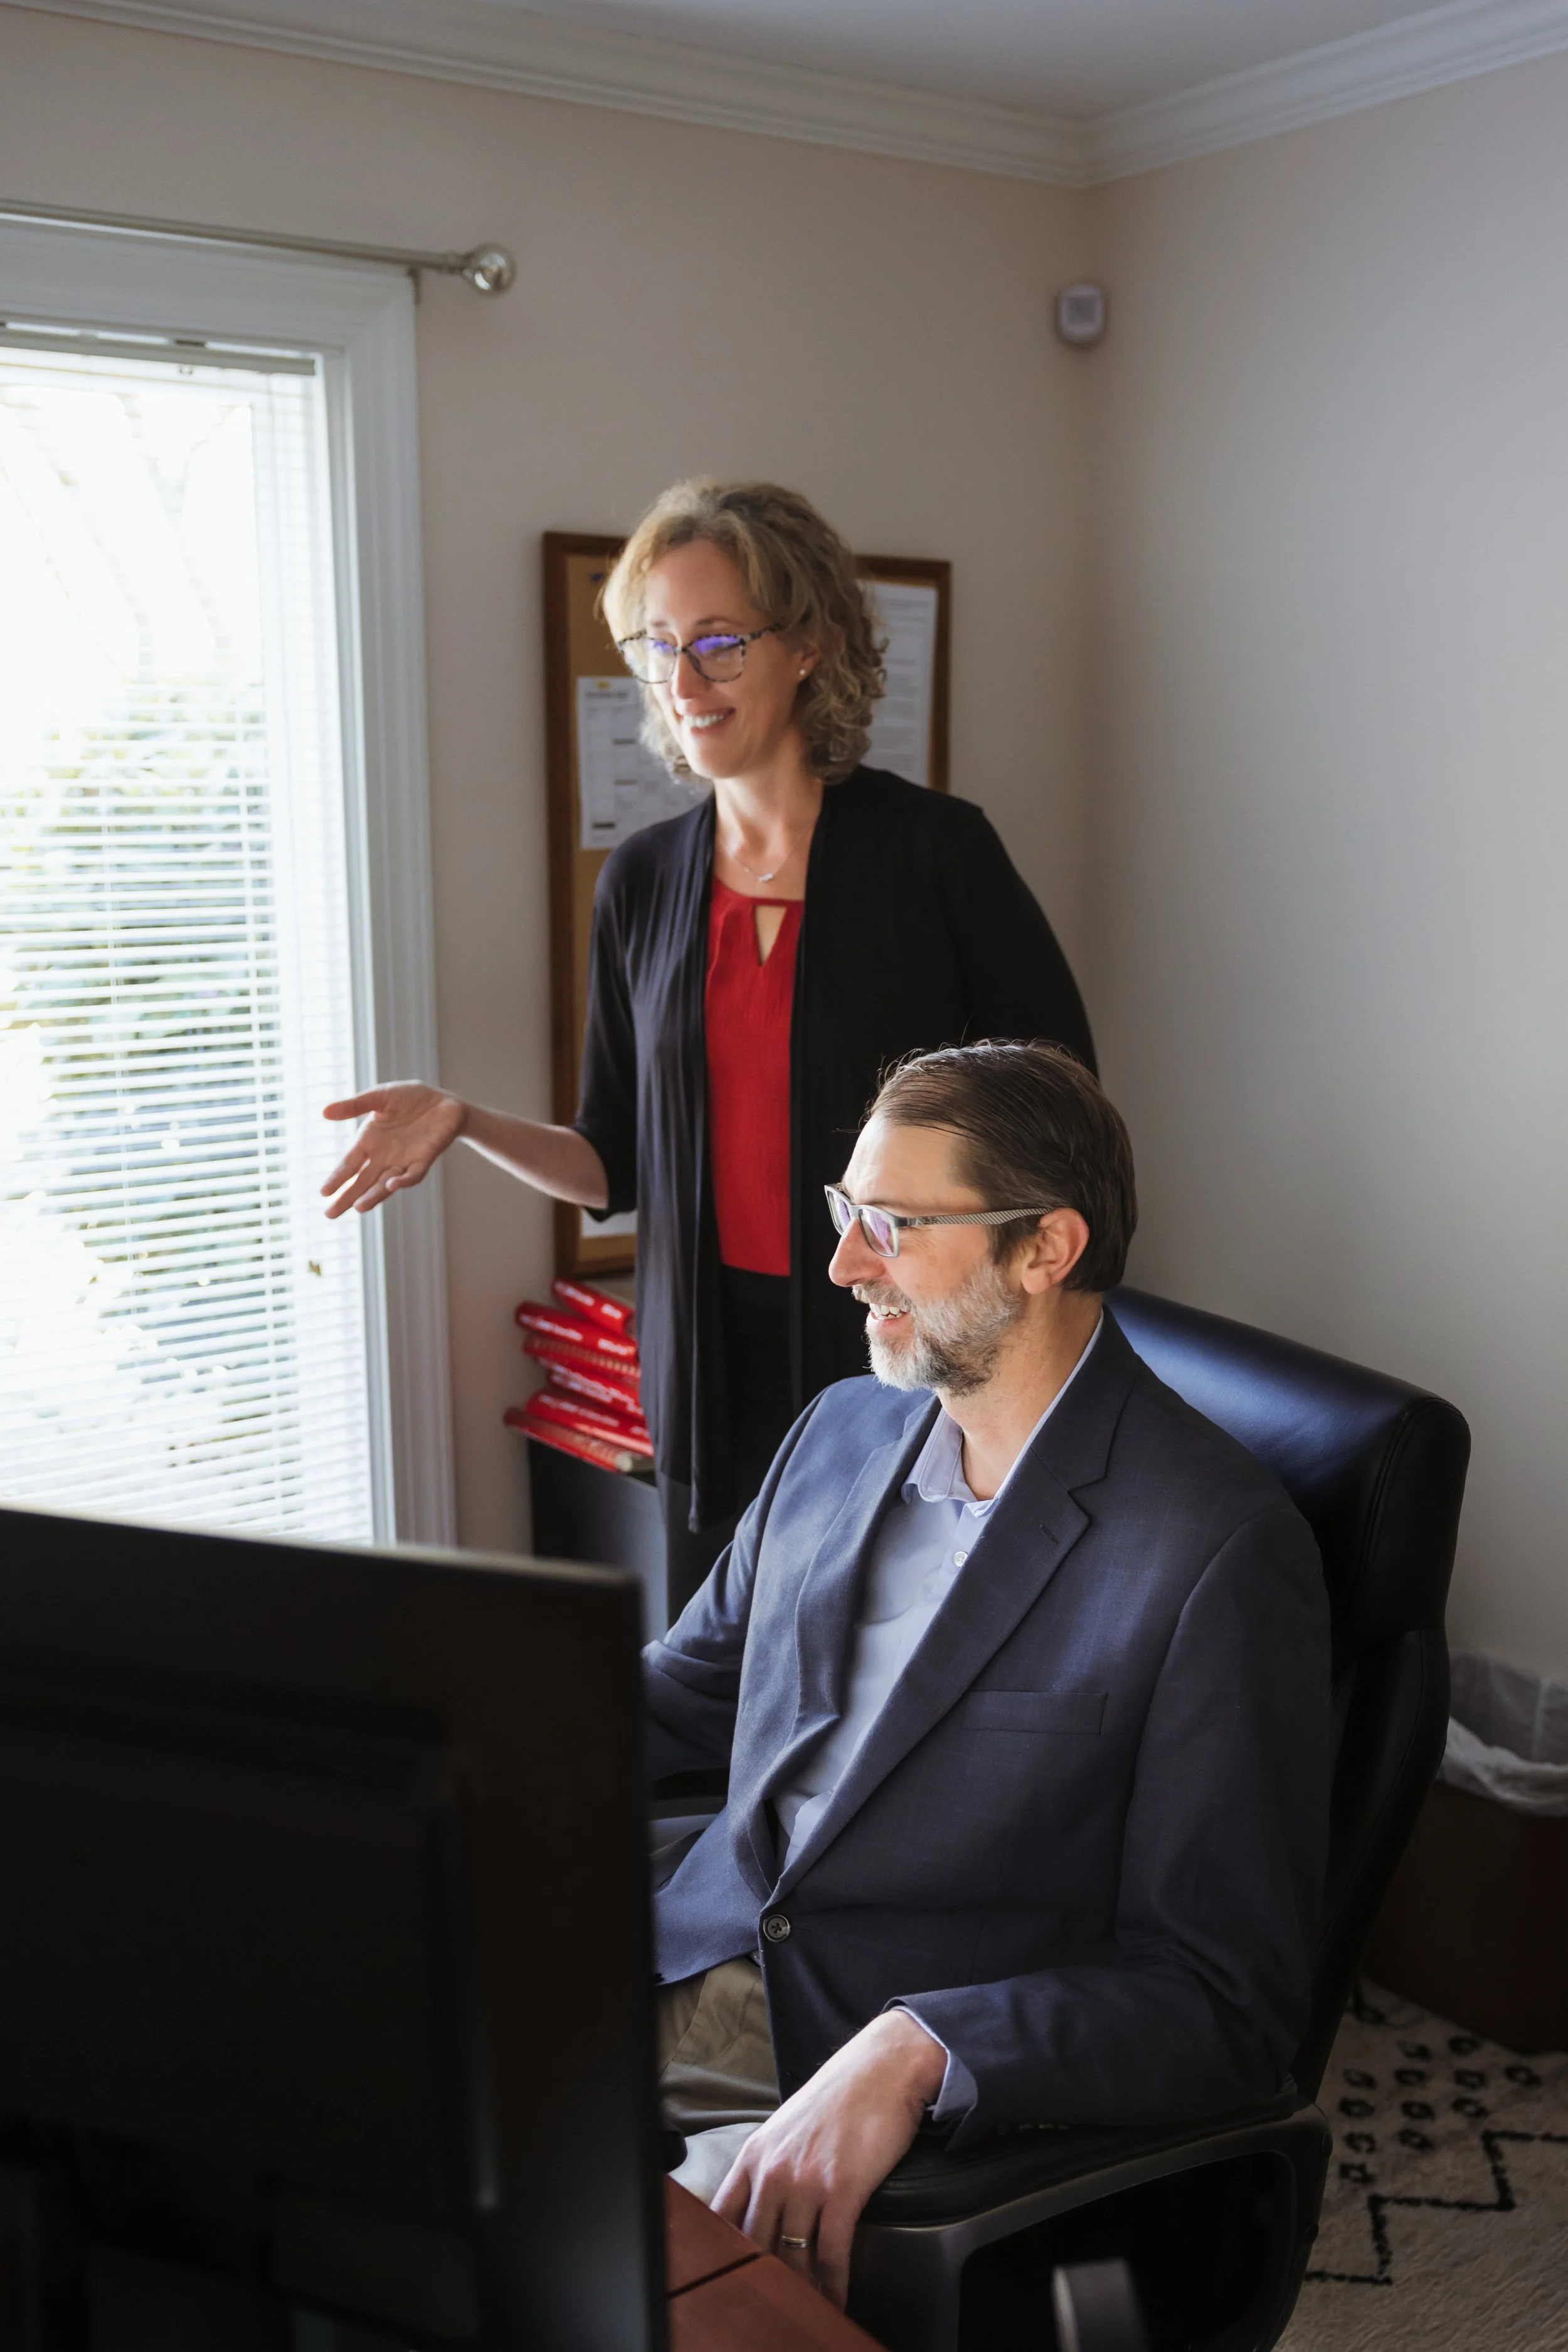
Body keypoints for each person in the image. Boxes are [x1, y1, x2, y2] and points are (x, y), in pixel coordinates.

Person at [319, 480, 1094, 1614]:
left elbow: (1060, 1108)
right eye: (659, 646)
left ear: (810, 647)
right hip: (705, 1363)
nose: (685, 685)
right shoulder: (640, 882)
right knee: (729, 1671)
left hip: (904, 1335)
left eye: (721, 643)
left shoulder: (937, 855)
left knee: (896, 1657)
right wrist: (465, 1121)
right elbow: (612, 1161)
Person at [642, 1041, 1333, 2310]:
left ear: (1044, 1249)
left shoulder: (1210, 1554)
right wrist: (450, 1721)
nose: (845, 1263)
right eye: (847, 1214)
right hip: (692, 1947)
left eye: (895, 1225)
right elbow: (687, 1693)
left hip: (862, 2057)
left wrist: (918, 2049)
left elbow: (1223, 1998)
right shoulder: (843, 1429)